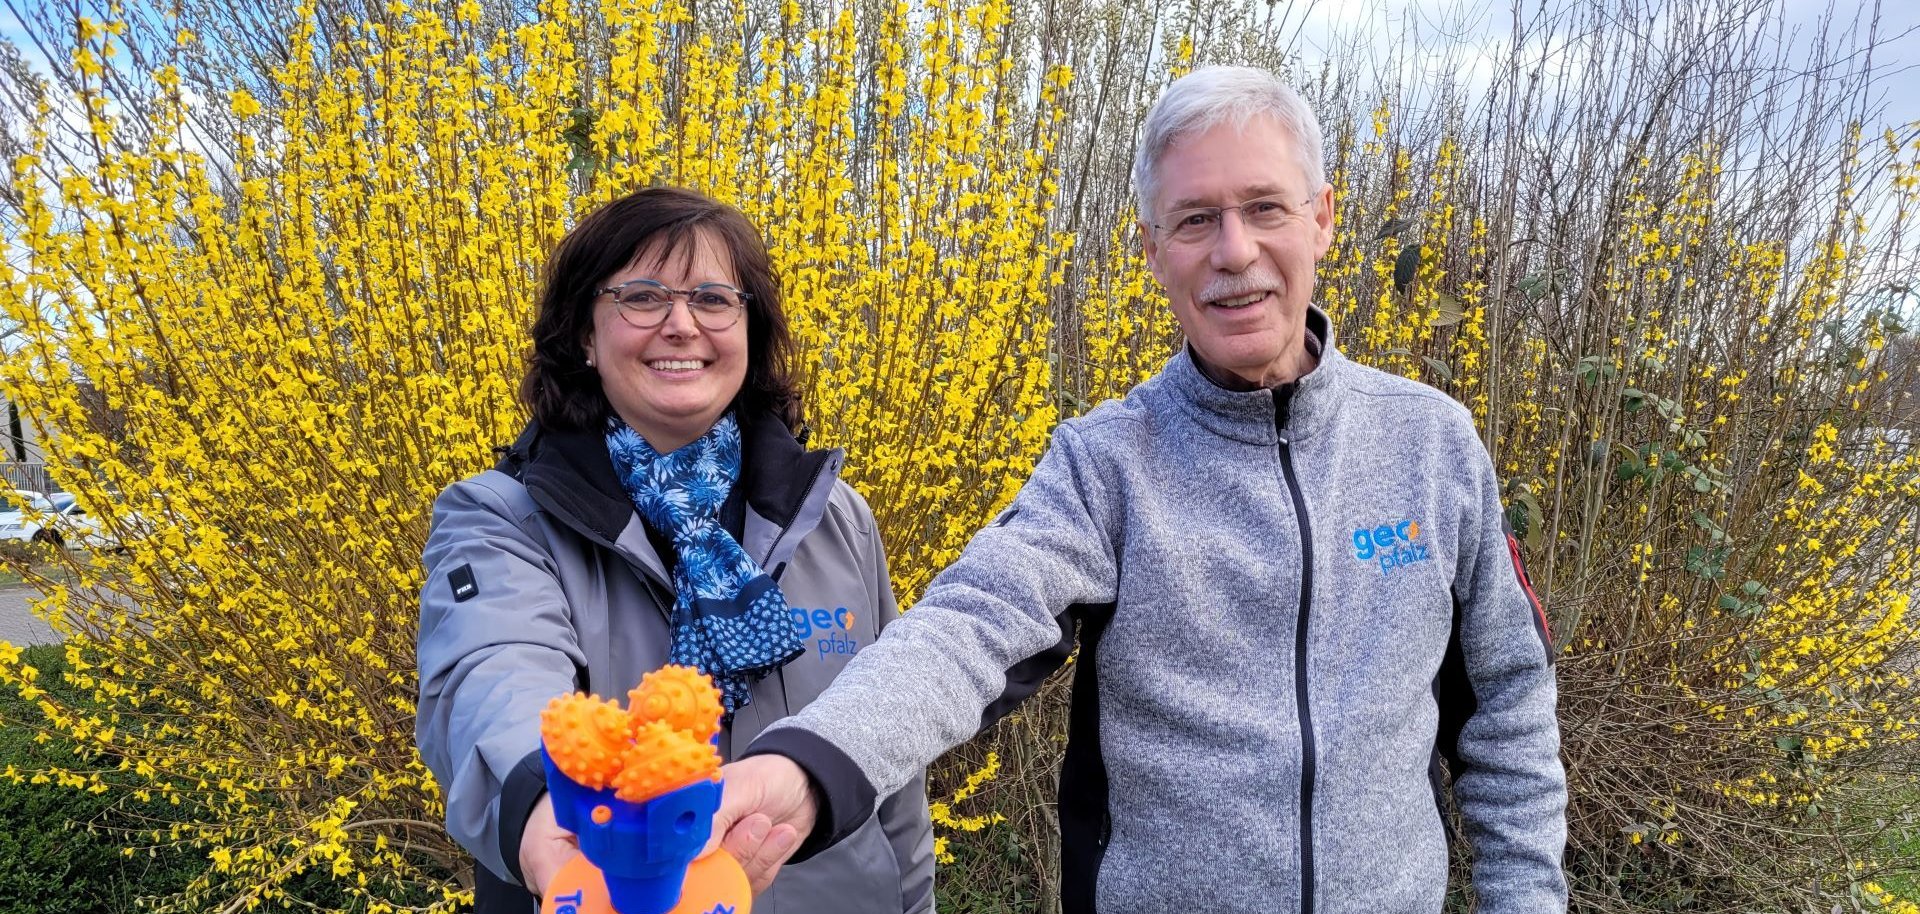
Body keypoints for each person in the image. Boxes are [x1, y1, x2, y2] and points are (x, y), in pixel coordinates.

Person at [714, 65, 1568, 913]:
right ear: (1154, 254)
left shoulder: (1432, 442)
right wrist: (810, 761)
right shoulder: (1105, 465)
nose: (1234, 252)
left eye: (1265, 207)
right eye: (1195, 220)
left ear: (1323, 219)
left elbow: (1508, 706)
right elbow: (966, 629)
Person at [414, 186, 934, 914]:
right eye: (642, 297)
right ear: (585, 337)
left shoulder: (835, 519)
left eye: (715, 299)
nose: (682, 324)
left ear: (750, 332)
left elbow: (888, 764)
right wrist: (554, 818)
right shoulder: (504, 519)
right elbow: (490, 680)